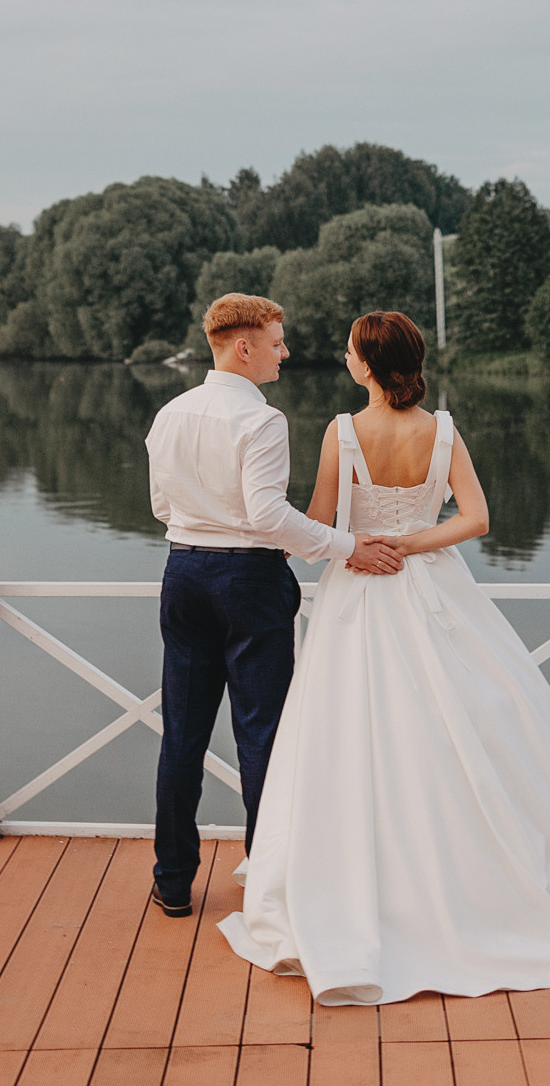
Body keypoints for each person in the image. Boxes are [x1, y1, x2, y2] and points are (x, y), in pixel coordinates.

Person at [220, 310, 550, 1004]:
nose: (344, 358)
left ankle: (364, 883)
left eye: (350, 351)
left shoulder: (342, 432)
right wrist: (415, 541)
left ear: (369, 366)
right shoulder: (442, 430)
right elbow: (477, 519)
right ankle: (486, 881)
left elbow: (317, 524)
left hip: (360, 587)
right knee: (475, 721)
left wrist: (363, 543)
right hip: (435, 584)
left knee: (354, 733)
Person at [144, 292, 405, 918]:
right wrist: (347, 547)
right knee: (262, 735)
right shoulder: (263, 421)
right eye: (277, 340)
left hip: (182, 572)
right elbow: (266, 514)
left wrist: (205, 528)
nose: (284, 352)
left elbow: (160, 507)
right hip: (247, 583)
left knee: (182, 733)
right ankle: (265, 884)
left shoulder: (170, 413)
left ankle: (173, 882)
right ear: (244, 346)